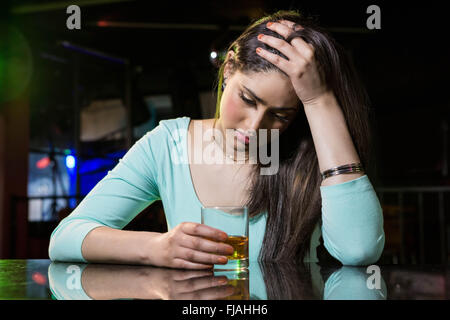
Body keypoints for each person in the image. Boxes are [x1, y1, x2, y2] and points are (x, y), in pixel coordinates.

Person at [49, 10, 385, 269]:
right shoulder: (167, 145)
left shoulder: (302, 152)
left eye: (280, 115)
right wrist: (156, 249)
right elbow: (65, 238)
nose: (254, 128)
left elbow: (359, 250)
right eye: (248, 99)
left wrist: (319, 101)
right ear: (228, 69)